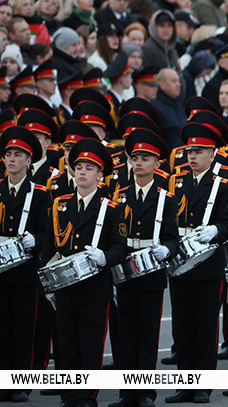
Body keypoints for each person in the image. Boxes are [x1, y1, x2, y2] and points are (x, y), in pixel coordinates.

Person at [46, 138, 127, 407]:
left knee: (90, 344)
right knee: (66, 345)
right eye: (78, 166)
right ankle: (68, 395)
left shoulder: (112, 208)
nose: (82, 172)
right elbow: (49, 246)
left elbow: (120, 247)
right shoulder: (61, 204)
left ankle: (86, 396)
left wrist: (105, 258)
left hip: (94, 287)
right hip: (65, 286)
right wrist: (47, 278)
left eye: (89, 168)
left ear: (100, 174)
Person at [165, 122, 228, 404]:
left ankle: (203, 386)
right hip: (181, 263)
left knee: (205, 327)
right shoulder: (177, 182)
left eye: (199, 151)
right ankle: (185, 384)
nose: (192, 156)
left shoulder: (223, 185)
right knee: (182, 327)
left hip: (208, 265)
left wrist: (215, 231)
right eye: (189, 151)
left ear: (212, 154)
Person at [108, 129, 180, 407]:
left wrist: (167, 249)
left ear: (157, 163)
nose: (138, 163)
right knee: (125, 333)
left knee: (148, 333)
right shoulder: (120, 196)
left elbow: (173, 238)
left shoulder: (166, 198)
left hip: (150, 271)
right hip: (125, 270)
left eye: (145, 158)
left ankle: (146, 393)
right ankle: (127, 393)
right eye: (135, 158)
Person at [0, 127, 52, 403]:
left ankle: (19, 383)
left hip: (24, 272)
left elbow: (49, 233)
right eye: (8, 154)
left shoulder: (40, 195)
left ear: (29, 160)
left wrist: (37, 240)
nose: (11, 159)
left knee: (24, 329)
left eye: (17, 155)